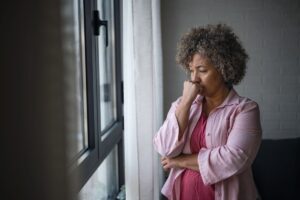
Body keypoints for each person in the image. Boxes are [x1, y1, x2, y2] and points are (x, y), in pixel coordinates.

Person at [153, 24, 262, 200]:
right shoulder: (183, 105)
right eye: (191, 70)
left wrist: (180, 161)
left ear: (224, 69)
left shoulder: (245, 109)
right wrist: (186, 102)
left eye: (202, 70)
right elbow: (165, 149)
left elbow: (232, 159)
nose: (194, 78)